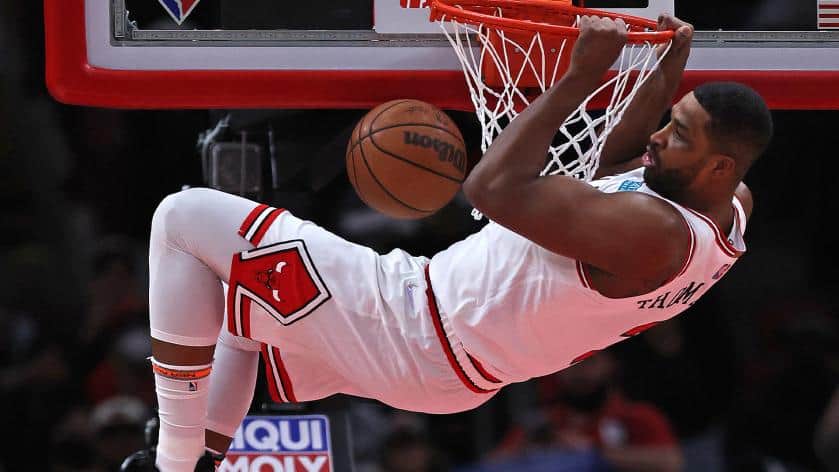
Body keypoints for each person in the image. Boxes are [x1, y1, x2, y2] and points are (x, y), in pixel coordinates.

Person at [124, 12, 773, 471]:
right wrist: (663, 74)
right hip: (454, 360)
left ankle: (171, 464)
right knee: (235, 310)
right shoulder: (729, 208)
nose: (659, 136)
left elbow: (489, 189)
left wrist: (579, 78)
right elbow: (613, 166)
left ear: (718, 165)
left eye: (678, 134)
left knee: (182, 220)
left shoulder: (654, 235)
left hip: (411, 324)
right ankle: (202, 457)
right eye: (670, 121)